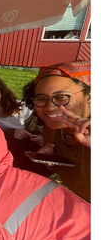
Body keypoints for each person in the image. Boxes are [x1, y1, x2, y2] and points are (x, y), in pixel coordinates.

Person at [22, 62, 91, 202]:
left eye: (61, 97)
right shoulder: (52, 129)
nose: (49, 106)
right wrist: (52, 164)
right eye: (41, 98)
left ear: (89, 99)